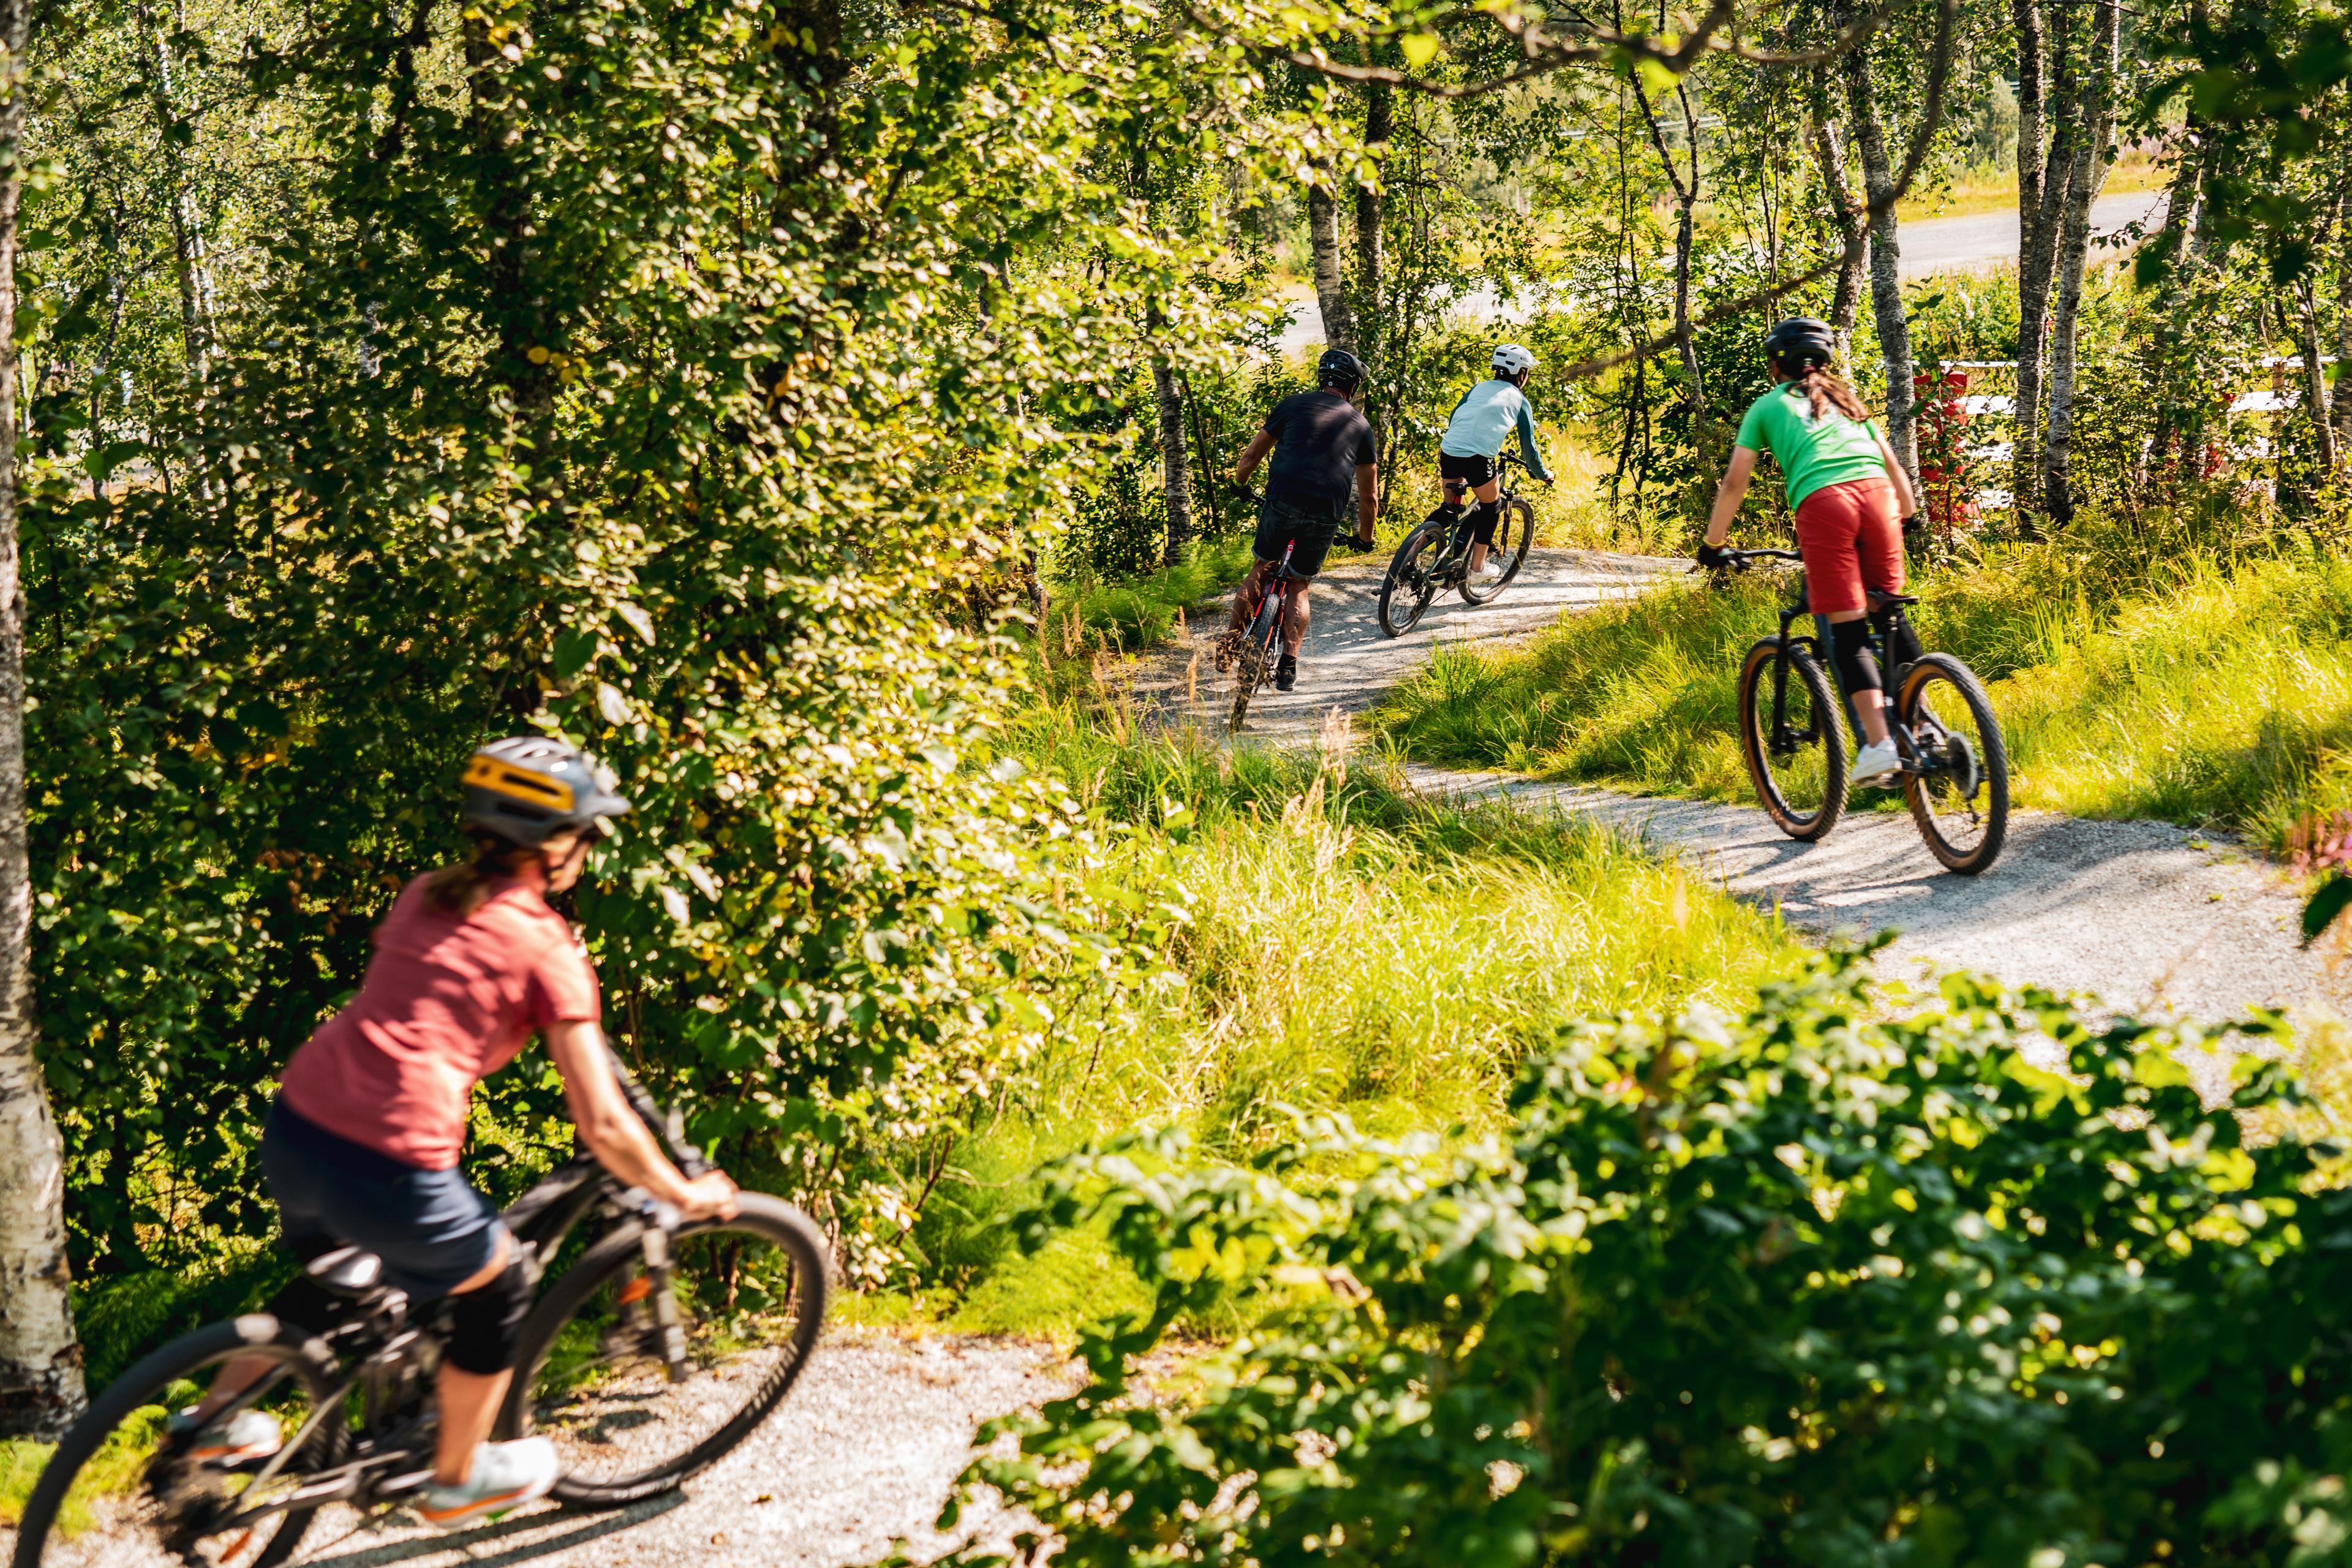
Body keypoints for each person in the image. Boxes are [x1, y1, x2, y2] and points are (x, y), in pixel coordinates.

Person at [178, 737, 741, 1529]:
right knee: (503, 1280)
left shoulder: (425, 896)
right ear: (552, 842)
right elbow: (605, 1122)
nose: (587, 849)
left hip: (299, 1125)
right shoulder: (548, 947)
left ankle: (213, 1424)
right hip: (393, 1158)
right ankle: (457, 1476)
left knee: (343, 1276)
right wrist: (682, 1190)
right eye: (584, 832)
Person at [1698, 317, 1922, 785]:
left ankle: (1881, 747)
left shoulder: (1766, 407)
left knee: (1848, 633)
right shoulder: (1849, 402)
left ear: (1777, 365)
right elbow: (1892, 465)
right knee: (1890, 614)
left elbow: (1736, 481)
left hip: (1826, 505)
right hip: (1880, 498)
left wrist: (1713, 546)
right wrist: (1908, 515)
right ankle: (1923, 728)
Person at [1228, 346, 1378, 692]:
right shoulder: (1360, 425)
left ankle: (1230, 643)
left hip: (1283, 500)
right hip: (1325, 512)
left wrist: (1240, 484)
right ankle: (1288, 666)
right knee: (1299, 584)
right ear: (1352, 386)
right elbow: (1369, 497)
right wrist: (1364, 539)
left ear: (1321, 379)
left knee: (1262, 567)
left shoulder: (1292, 405)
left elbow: (1252, 455)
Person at [1436, 343, 1554, 585]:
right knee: (1492, 505)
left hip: (1450, 449)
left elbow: (1456, 416)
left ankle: (1413, 550)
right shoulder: (1520, 400)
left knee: (1450, 508)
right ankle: (1477, 569)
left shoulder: (1478, 388)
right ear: (1522, 373)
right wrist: (1543, 474)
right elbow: (1528, 447)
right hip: (1478, 458)